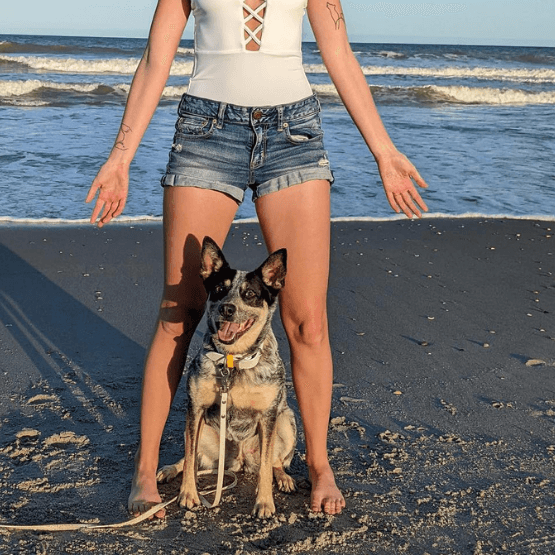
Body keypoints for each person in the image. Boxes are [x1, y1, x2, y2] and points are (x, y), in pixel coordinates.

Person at [86, 0, 428, 517]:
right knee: (181, 310)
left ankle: (319, 467)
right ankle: (145, 469)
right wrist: (120, 156)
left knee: (308, 322)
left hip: (293, 133)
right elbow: (157, 59)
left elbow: (339, 53)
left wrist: (384, 151)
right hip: (206, 132)